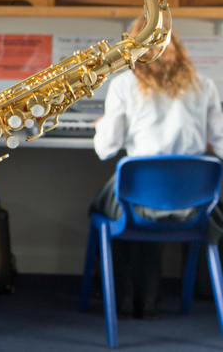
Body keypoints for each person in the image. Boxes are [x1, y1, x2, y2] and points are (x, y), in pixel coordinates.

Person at [91, 20, 223, 320]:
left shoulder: (124, 84)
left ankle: (125, 299)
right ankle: (149, 299)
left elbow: (106, 149)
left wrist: (103, 126)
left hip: (139, 202)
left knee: (108, 207)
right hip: (193, 205)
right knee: (139, 199)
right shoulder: (204, 85)